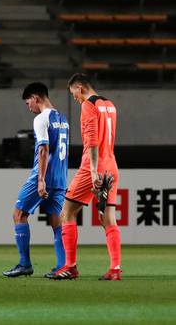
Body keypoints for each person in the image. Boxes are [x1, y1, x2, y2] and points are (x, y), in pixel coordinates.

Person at [53, 73, 121, 281]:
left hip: (93, 167)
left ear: (80, 87)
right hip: (111, 165)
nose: (74, 97)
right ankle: (115, 269)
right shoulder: (110, 105)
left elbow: (92, 141)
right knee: (107, 218)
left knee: (67, 212)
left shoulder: (88, 105)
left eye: (73, 92)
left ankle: (70, 266)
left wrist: (92, 172)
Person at [2, 82, 68, 278]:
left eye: (28, 102)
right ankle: (63, 265)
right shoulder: (63, 119)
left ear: (35, 98)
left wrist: (40, 180)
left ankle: (25, 264)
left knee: (19, 214)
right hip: (60, 177)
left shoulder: (41, 119)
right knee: (57, 221)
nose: (28, 107)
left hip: (43, 175)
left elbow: (43, 149)